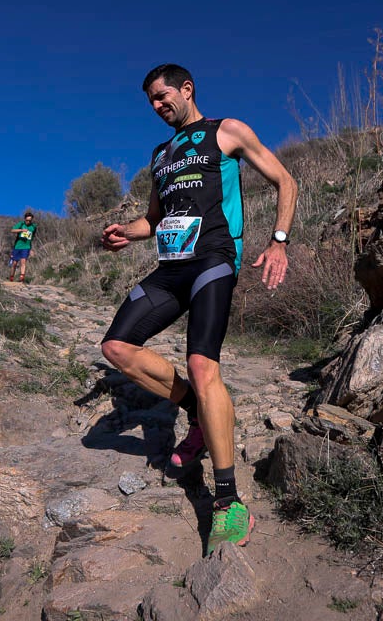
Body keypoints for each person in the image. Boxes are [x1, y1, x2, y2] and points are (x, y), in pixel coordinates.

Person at [100, 63, 297, 556]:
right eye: (150, 100)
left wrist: (278, 242)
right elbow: (153, 220)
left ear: (187, 89)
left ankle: (229, 501)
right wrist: (126, 231)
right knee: (117, 347)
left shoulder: (226, 132)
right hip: (170, 268)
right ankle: (198, 414)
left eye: (163, 95)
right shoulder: (160, 154)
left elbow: (285, 181)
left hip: (212, 261)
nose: (156, 105)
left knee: (201, 363)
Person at [8, 211, 37, 282]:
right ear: (24, 219)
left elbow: (32, 237)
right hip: (17, 246)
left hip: (26, 247)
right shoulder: (21, 224)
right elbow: (12, 230)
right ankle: (12, 276)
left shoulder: (33, 227)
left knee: (23, 261)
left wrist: (31, 249)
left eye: (30, 220)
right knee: (14, 263)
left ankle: (22, 277)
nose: (28, 222)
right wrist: (21, 230)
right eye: (27, 220)